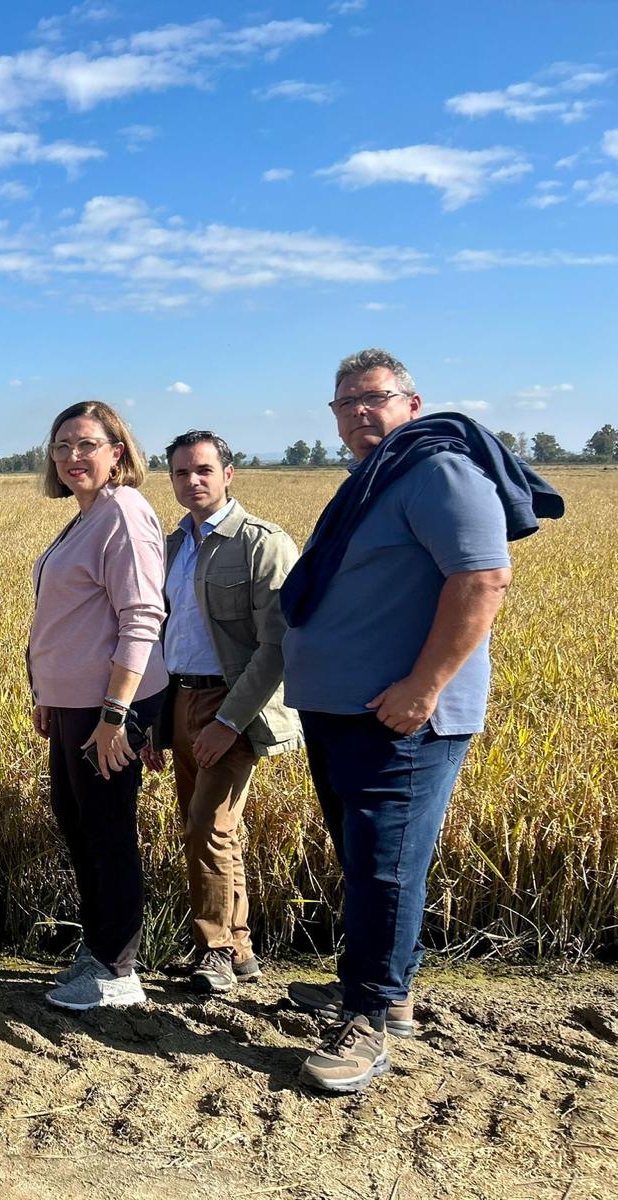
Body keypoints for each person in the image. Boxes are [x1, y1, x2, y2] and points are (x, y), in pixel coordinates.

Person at [281, 348, 562, 1094]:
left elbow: (482, 577)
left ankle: (367, 1021)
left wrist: (424, 685)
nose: (358, 413)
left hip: (401, 719)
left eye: (374, 397)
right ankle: (382, 990)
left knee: (385, 867)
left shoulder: (439, 471)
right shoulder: (377, 482)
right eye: (345, 403)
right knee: (365, 859)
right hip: (344, 710)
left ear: (412, 402)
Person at [143, 431, 302, 996]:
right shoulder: (170, 546)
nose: (193, 482)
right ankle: (240, 952)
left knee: (206, 824)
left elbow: (278, 645)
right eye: (182, 473)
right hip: (180, 697)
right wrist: (155, 723)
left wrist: (229, 721)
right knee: (215, 829)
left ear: (229, 473)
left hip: (231, 702)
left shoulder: (262, 544)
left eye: (204, 470)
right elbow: (163, 635)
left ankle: (212, 950)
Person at [28, 401, 169, 1011]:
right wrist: (46, 694)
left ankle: (117, 970)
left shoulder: (124, 512)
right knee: (78, 822)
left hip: (107, 708)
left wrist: (116, 715)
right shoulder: (87, 516)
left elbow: (142, 617)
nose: (72, 457)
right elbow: (67, 618)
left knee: (106, 829)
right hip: (73, 705)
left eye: (87, 444)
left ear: (118, 452)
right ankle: (99, 947)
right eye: (62, 446)